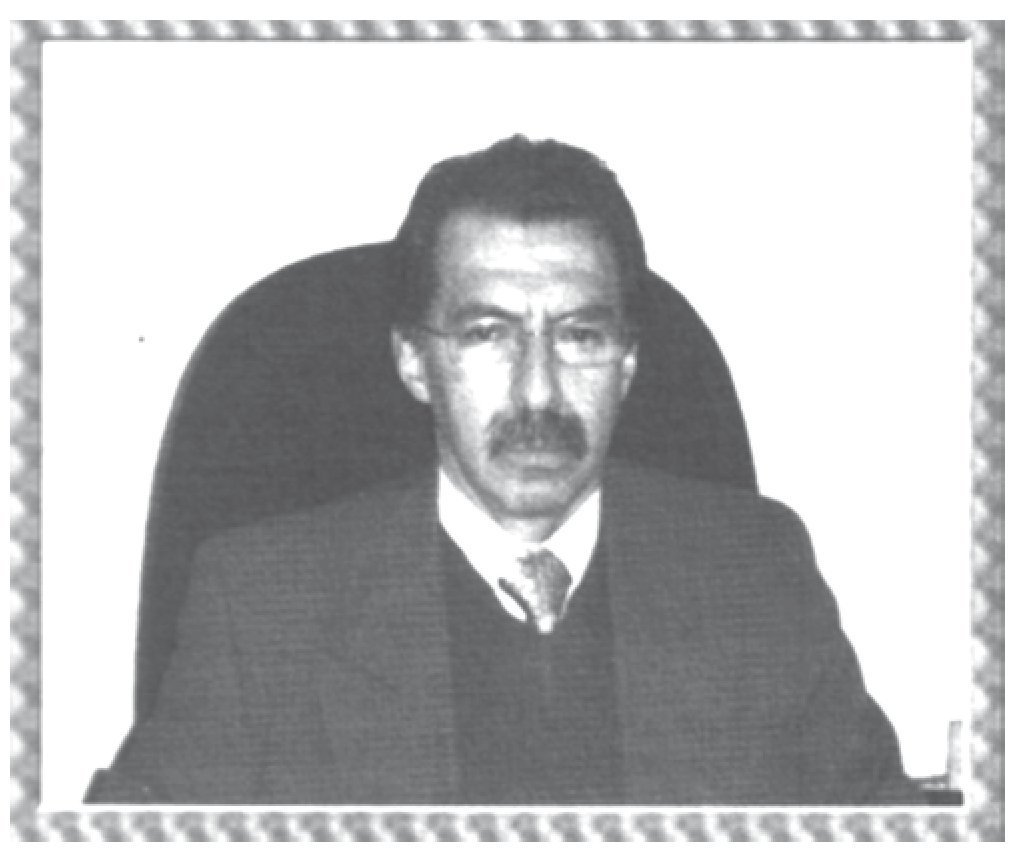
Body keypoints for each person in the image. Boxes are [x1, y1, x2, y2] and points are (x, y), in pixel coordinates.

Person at [87, 136, 919, 805]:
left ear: (627, 363)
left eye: (580, 336)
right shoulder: (266, 602)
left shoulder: (753, 573)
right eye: (488, 334)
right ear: (414, 361)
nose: (538, 391)